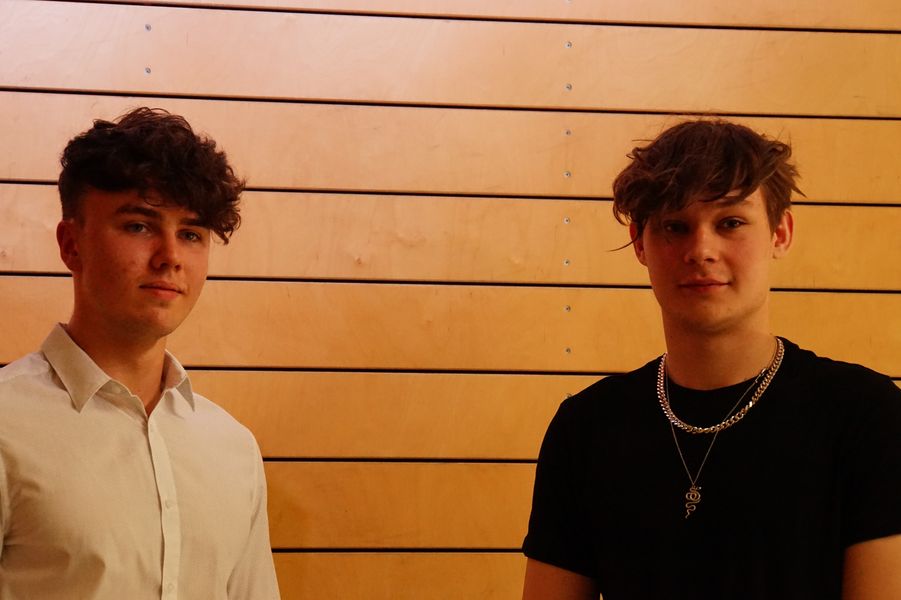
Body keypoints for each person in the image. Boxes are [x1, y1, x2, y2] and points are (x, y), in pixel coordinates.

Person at [521, 120, 901, 599]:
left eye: (730, 223)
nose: (701, 250)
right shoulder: (585, 428)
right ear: (640, 243)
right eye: (675, 227)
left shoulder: (867, 415)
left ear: (780, 233)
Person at [0, 108, 280, 599]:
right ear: (71, 245)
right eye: (138, 226)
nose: (170, 256)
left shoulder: (232, 448)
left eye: (191, 234)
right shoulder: (7, 426)